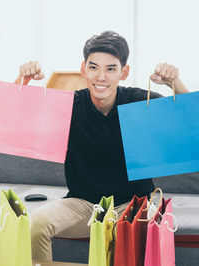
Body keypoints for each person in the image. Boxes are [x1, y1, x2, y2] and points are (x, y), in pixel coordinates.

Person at [14, 31, 189, 262]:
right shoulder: (70, 105)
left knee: (129, 239)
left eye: (110, 69)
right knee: (34, 224)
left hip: (132, 205)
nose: (101, 77)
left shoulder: (140, 102)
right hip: (82, 204)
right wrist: (21, 82)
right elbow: (12, 120)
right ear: (83, 69)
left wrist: (175, 83)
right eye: (94, 67)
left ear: (123, 72)